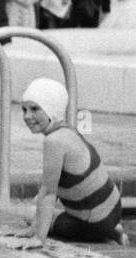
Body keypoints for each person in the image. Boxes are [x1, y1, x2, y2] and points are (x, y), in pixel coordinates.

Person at [8, 78, 127, 248]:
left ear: (51, 109)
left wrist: (38, 237)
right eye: (24, 109)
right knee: (38, 208)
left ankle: (108, 231)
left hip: (94, 223)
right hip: (112, 211)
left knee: (30, 213)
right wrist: (36, 226)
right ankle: (113, 229)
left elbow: (49, 192)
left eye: (35, 109)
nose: (27, 116)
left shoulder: (54, 141)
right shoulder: (68, 131)